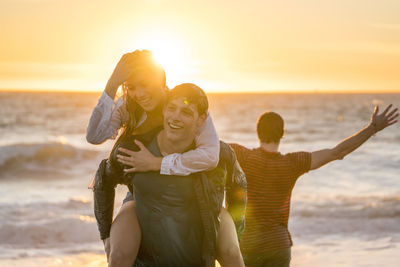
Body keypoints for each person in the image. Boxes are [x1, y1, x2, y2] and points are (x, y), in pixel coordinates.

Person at [87, 51, 245, 266]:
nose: (139, 94)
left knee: (231, 252)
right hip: (143, 196)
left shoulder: (183, 103)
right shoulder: (129, 107)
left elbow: (211, 156)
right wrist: (113, 83)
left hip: (195, 194)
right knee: (119, 254)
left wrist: (155, 163)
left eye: (144, 84)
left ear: (160, 81)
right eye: (131, 87)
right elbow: (95, 137)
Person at [228, 105, 398, 267]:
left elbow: (211, 147)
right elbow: (338, 152)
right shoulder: (293, 163)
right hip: (278, 246)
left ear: (258, 132)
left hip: (247, 245)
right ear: (282, 133)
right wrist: (372, 128)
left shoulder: (242, 156)